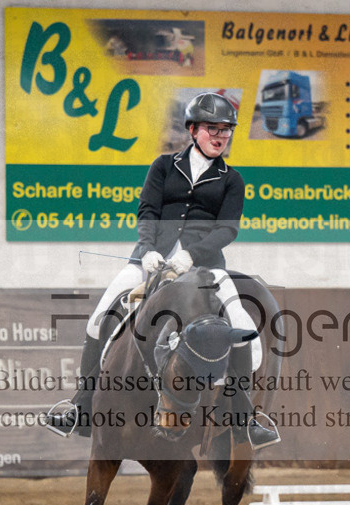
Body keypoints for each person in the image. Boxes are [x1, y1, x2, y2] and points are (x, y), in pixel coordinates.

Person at [47, 91, 279, 449]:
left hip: (205, 268)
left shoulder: (232, 180)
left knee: (242, 325)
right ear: (193, 129)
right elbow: (147, 212)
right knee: (98, 317)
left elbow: (227, 229)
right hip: (149, 261)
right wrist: (150, 250)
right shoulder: (163, 166)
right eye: (212, 128)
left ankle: (243, 419)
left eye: (226, 130)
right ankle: (80, 406)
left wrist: (191, 255)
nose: (220, 135)